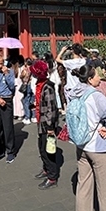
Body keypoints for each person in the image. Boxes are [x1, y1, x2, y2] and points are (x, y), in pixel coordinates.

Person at [69, 64, 106, 211]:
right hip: (98, 146)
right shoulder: (96, 96)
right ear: (90, 79)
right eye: (97, 75)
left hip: (81, 144)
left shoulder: (73, 92)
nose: (100, 77)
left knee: (83, 187)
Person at [30, 60, 59, 190]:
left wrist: (50, 127)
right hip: (40, 121)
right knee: (41, 148)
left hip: (46, 124)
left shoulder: (47, 87)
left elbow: (51, 108)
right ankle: (46, 169)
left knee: (48, 151)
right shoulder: (40, 84)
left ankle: (52, 177)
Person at [0, 55, 16, 163]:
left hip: (7, 99)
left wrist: (7, 74)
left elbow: (12, 86)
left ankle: (10, 151)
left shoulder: (10, 72)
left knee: (8, 126)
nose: (0, 66)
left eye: (1, 63)